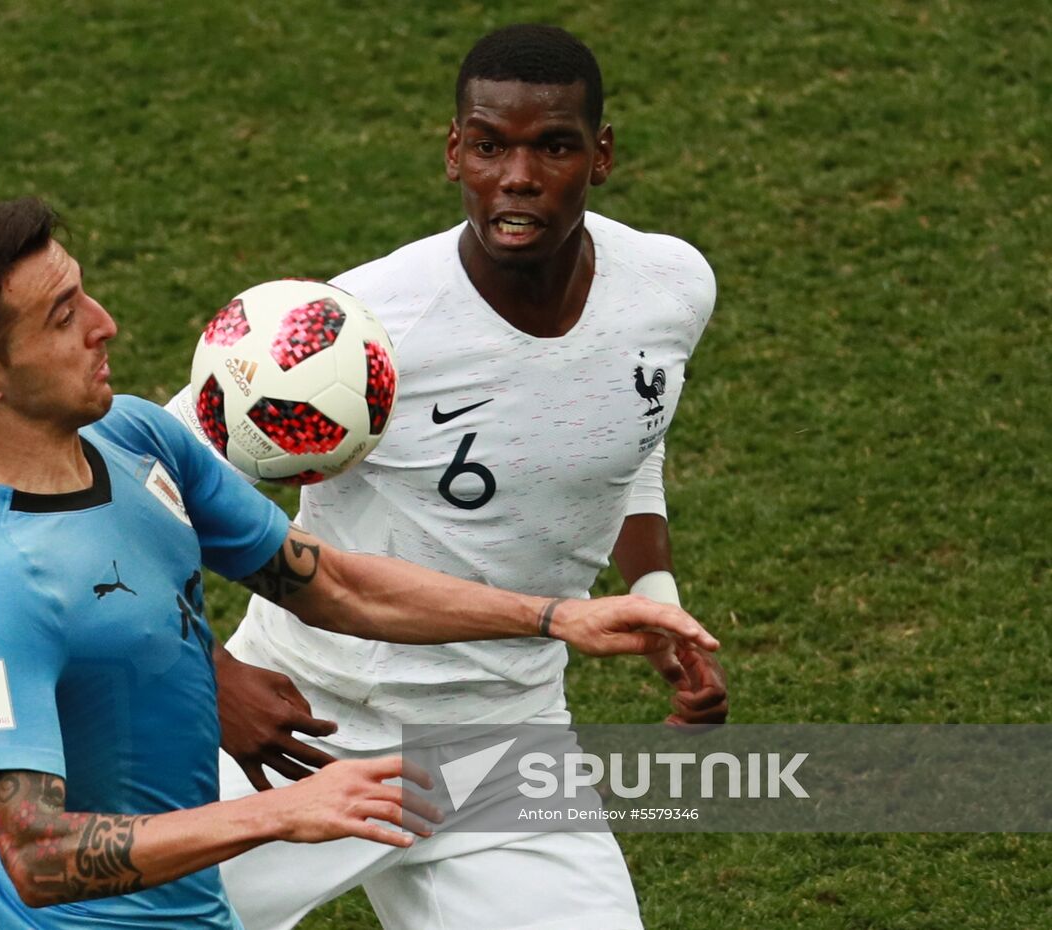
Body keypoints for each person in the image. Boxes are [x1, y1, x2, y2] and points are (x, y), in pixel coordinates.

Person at [0, 197, 719, 929]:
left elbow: (331, 581)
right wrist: (284, 811)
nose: (105, 322)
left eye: (84, 290)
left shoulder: (136, 440)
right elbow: (38, 854)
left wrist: (556, 616)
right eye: (62, 316)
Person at [166, 23, 729, 930]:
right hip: (305, 727)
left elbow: (632, 436)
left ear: (603, 154)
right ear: (454, 152)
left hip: (506, 743)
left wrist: (656, 596)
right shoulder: (349, 330)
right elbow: (137, 481)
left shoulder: (669, 288)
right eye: (489, 145)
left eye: (553, 145)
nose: (518, 175)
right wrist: (214, 674)